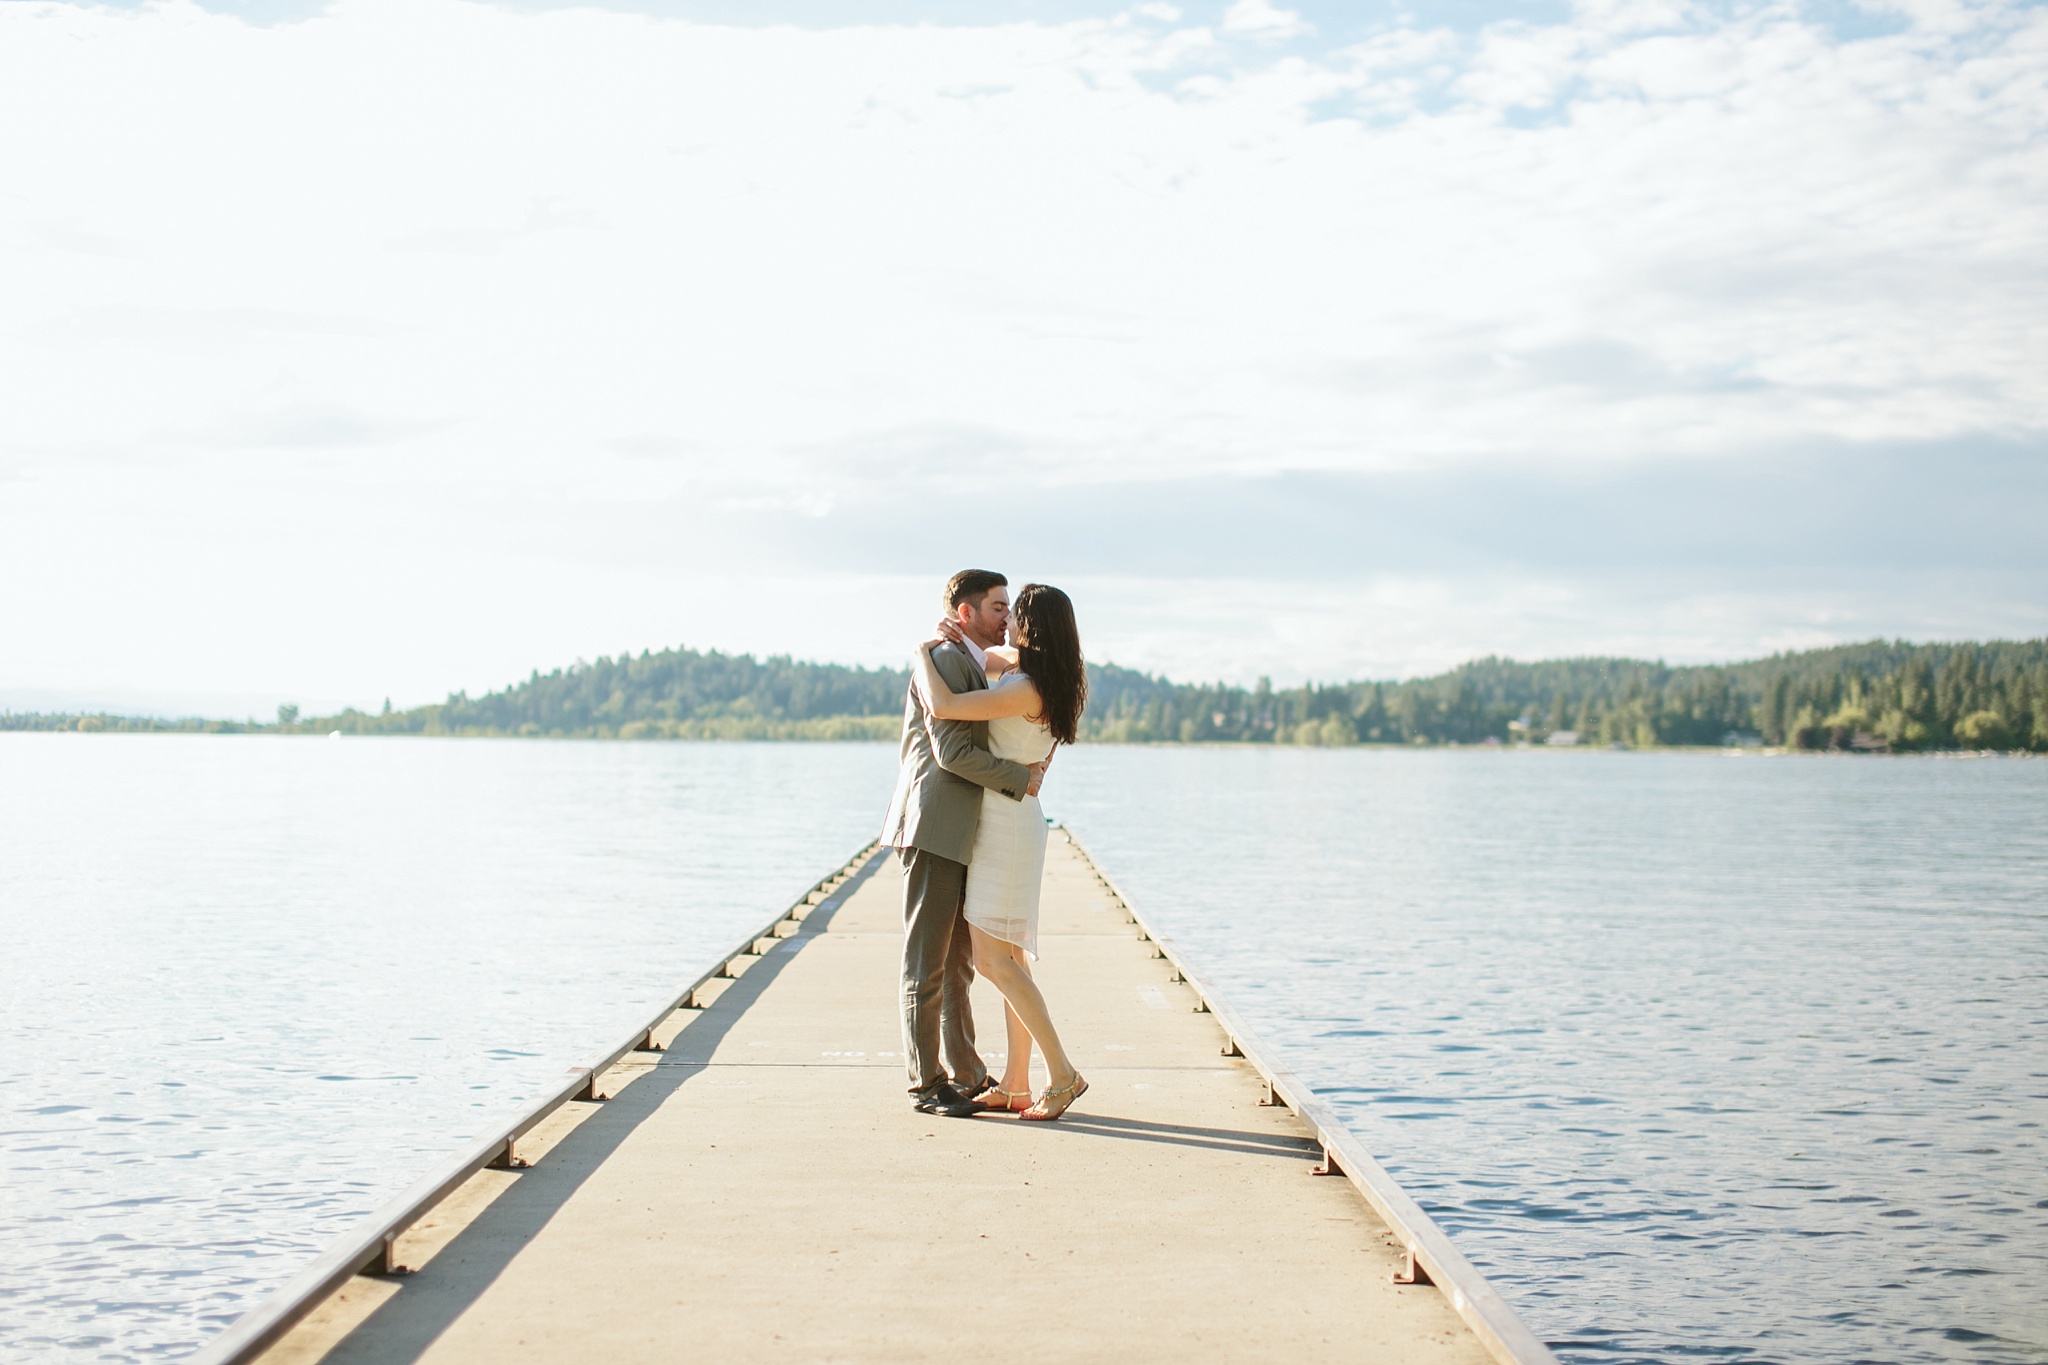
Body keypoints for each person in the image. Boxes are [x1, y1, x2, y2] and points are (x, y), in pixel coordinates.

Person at [911, 582, 1089, 1121]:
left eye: (1014, 613)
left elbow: (944, 705)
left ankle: (1063, 1074)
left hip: (1006, 827)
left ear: (1031, 626)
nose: (1006, 619)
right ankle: (1015, 1084)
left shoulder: (1028, 687)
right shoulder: (1033, 669)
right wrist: (954, 637)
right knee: (1012, 961)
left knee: (993, 961)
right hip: (1009, 818)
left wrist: (921, 653)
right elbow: (980, 656)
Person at [880, 570, 1050, 1119]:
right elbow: (951, 754)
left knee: (957, 963)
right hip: (932, 825)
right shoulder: (947, 659)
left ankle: (967, 1073)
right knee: (926, 962)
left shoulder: (976, 662)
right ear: (965, 613)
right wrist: (1020, 777)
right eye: (998, 607)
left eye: (1009, 608)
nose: (1007, 617)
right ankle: (925, 1085)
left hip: (962, 829)